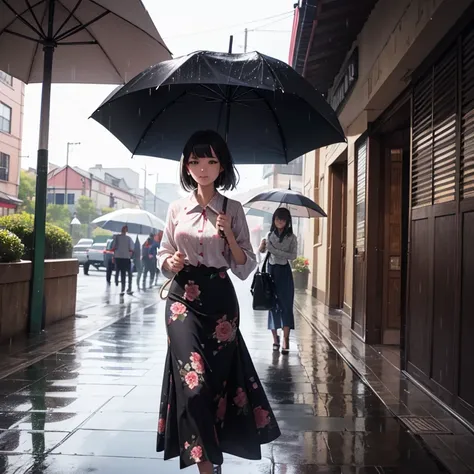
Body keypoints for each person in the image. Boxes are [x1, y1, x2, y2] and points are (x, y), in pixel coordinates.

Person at [157, 130, 281, 473]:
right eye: (195, 161)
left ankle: (211, 453)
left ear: (222, 165)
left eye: (211, 160)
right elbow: (164, 252)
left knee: (215, 385)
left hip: (221, 303)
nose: (202, 168)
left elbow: (244, 266)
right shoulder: (176, 208)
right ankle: (206, 466)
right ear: (186, 166)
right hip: (182, 300)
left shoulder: (233, 209)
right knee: (192, 384)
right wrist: (170, 263)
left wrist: (227, 232)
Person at [259, 208, 297, 355]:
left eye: (282, 219)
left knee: (286, 305)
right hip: (270, 272)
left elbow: (292, 256)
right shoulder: (268, 235)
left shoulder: (292, 237)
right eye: (277, 219)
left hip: (284, 273)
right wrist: (262, 247)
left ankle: (286, 339)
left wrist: (274, 250)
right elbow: (262, 252)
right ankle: (275, 339)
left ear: (287, 221)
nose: (279, 221)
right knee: (272, 305)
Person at [111, 225, 134, 296]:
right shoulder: (129, 238)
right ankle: (128, 288)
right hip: (126, 258)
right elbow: (131, 248)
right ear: (126, 230)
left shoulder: (116, 238)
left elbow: (113, 246)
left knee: (121, 273)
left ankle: (122, 289)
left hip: (118, 257)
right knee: (129, 273)